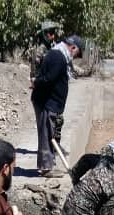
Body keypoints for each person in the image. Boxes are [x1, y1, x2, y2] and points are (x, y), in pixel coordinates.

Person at [32, 35, 83, 178]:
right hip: (47, 102)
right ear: (73, 48)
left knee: (48, 134)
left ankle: (48, 165)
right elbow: (49, 79)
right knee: (46, 134)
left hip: (50, 102)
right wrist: (36, 82)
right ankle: (46, 168)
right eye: (77, 53)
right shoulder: (58, 57)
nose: (75, 57)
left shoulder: (58, 55)